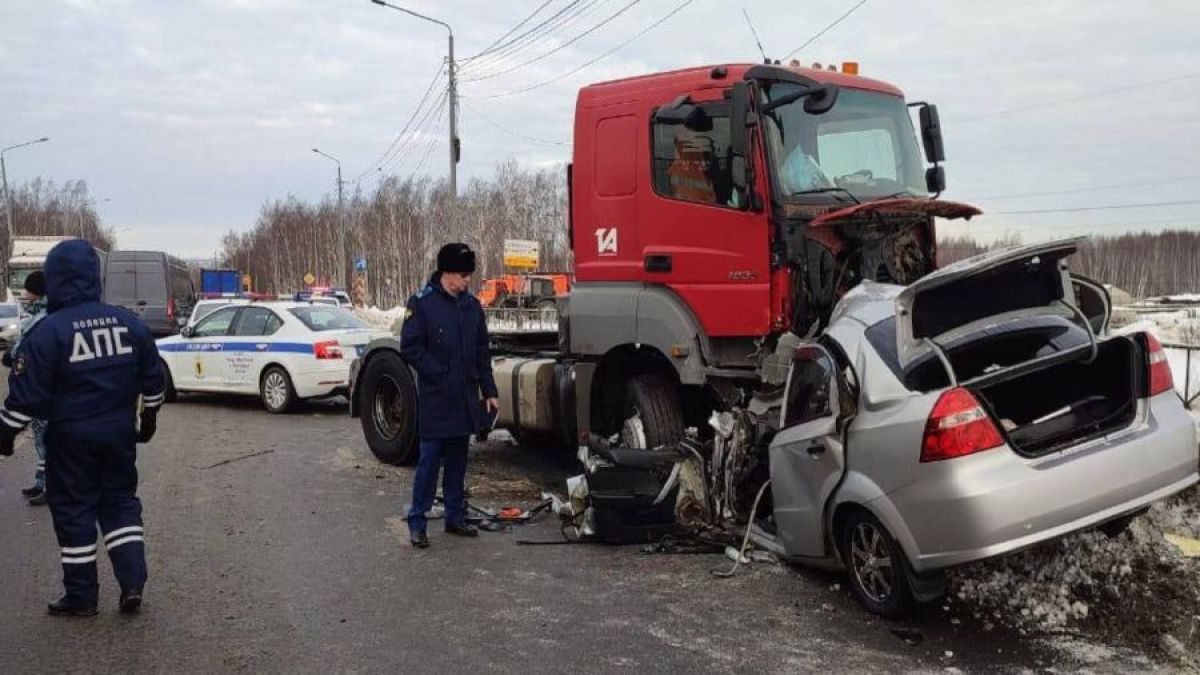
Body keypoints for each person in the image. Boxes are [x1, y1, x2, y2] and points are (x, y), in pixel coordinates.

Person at [0, 239, 165, 617]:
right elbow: (152, 379)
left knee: (75, 511)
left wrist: (6, 434)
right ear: (94, 277)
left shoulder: (48, 332)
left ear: (57, 280)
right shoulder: (128, 323)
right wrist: (149, 417)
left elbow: (26, 399)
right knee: (120, 505)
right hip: (118, 433)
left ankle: (81, 596)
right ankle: (132, 583)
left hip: (71, 439)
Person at [400, 243, 499, 548]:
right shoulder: (422, 304)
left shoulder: (471, 307)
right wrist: (439, 373)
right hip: (437, 399)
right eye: (461, 274)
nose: (467, 280)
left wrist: (490, 390)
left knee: (458, 462)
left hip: (465, 400)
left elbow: (482, 352)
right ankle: (418, 522)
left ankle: (455, 517)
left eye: (469, 274)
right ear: (445, 273)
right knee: (429, 464)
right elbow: (410, 347)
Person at [4, 270, 50, 506]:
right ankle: (41, 483)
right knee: (41, 439)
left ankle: (49, 487)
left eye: (28, 288)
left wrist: (13, 354)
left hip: (42, 390)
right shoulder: (35, 314)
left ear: (37, 292)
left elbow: (29, 345)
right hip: (37, 388)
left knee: (47, 440)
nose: (24, 293)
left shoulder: (44, 316)